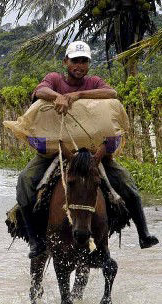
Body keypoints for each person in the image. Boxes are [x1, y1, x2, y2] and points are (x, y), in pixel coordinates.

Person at [17, 40, 159, 259]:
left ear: (89, 64)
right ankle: (35, 240)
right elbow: (40, 90)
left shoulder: (93, 82)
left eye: (84, 61)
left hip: (93, 152)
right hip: (57, 150)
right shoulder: (55, 79)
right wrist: (59, 97)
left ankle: (143, 233)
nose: (79, 65)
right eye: (75, 60)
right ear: (66, 62)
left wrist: (79, 96)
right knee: (25, 180)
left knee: (127, 183)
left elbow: (111, 93)